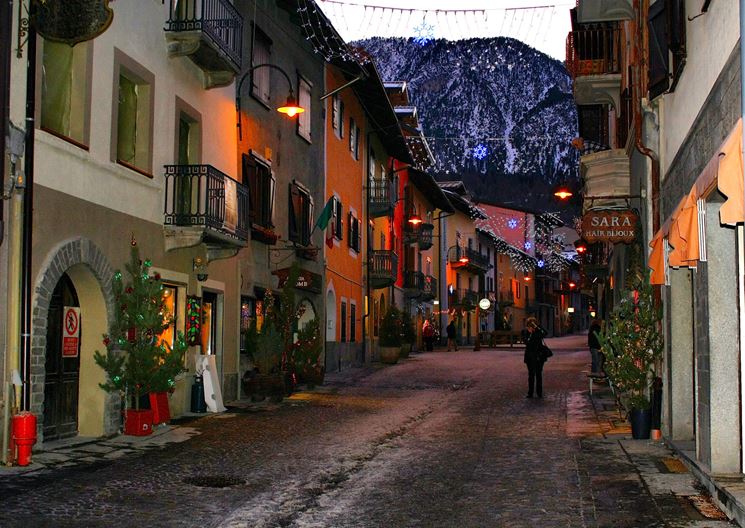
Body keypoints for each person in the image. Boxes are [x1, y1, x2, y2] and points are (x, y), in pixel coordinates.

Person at [524, 317, 547, 398]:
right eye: (530, 324)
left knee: (538, 374)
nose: (532, 326)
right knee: (531, 374)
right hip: (530, 356)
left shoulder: (538, 330)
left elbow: (544, 333)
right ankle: (530, 393)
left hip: (539, 355)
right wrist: (530, 333)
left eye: (533, 324)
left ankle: (539, 392)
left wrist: (537, 328)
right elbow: (527, 342)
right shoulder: (525, 331)